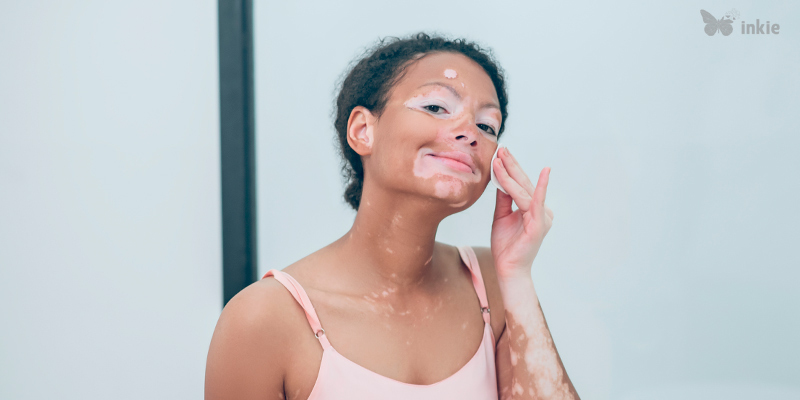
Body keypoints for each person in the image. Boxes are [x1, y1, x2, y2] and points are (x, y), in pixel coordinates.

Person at [205, 32, 580, 400]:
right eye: (435, 107)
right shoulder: (264, 320)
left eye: (486, 126)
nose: (470, 133)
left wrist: (516, 277)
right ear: (362, 130)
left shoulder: (491, 282)